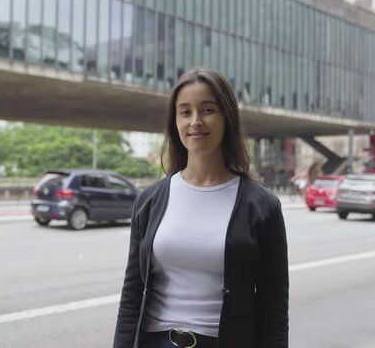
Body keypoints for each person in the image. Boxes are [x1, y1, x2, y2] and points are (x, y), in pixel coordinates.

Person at [114, 68, 289, 348]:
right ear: (175, 122)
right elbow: (132, 292)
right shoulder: (149, 201)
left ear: (227, 118)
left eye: (207, 110)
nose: (195, 121)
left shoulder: (262, 206)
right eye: (185, 112)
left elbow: (274, 307)